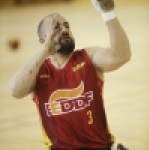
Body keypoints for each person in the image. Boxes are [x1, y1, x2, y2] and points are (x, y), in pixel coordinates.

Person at [8, 0, 131, 150]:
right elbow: (14, 90)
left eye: (67, 26)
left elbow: (122, 56)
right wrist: (44, 51)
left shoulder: (88, 58)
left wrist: (108, 13)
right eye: (56, 28)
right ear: (42, 40)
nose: (64, 30)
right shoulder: (38, 72)